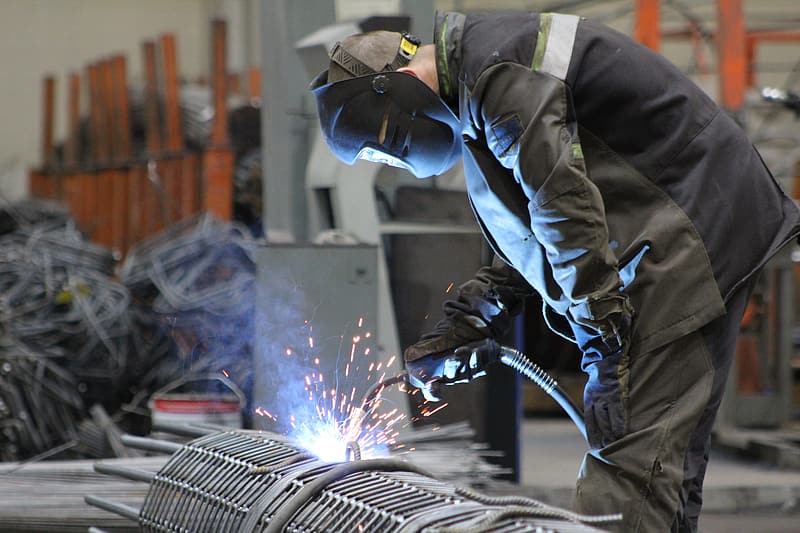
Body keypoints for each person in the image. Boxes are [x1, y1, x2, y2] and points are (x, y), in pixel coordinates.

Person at [309, 10, 800, 533]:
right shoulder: (477, 87)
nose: (400, 164)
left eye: (390, 150)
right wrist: (476, 314)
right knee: (657, 463)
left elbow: (561, 205)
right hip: (675, 218)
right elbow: (535, 220)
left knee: (631, 468)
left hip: (692, 224)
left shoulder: (498, 77)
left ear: (403, 89)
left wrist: (607, 343)